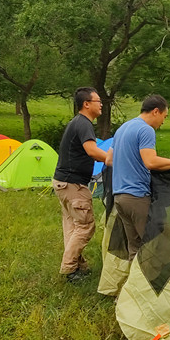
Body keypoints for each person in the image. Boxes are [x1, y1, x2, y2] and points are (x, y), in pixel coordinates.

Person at [106, 94, 170, 261]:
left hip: (120, 197)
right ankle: (157, 284)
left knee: (135, 249)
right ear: (156, 111)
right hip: (137, 198)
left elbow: (109, 159)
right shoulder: (145, 129)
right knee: (159, 245)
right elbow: (150, 162)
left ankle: (132, 286)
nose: (163, 122)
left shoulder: (122, 128)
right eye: (164, 116)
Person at [52, 87, 109, 283]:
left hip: (63, 182)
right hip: (73, 184)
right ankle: (69, 269)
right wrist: (116, 159)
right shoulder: (84, 124)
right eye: (98, 101)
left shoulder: (78, 123)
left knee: (73, 227)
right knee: (85, 226)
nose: (101, 104)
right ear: (86, 104)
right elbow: (92, 151)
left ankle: (76, 266)